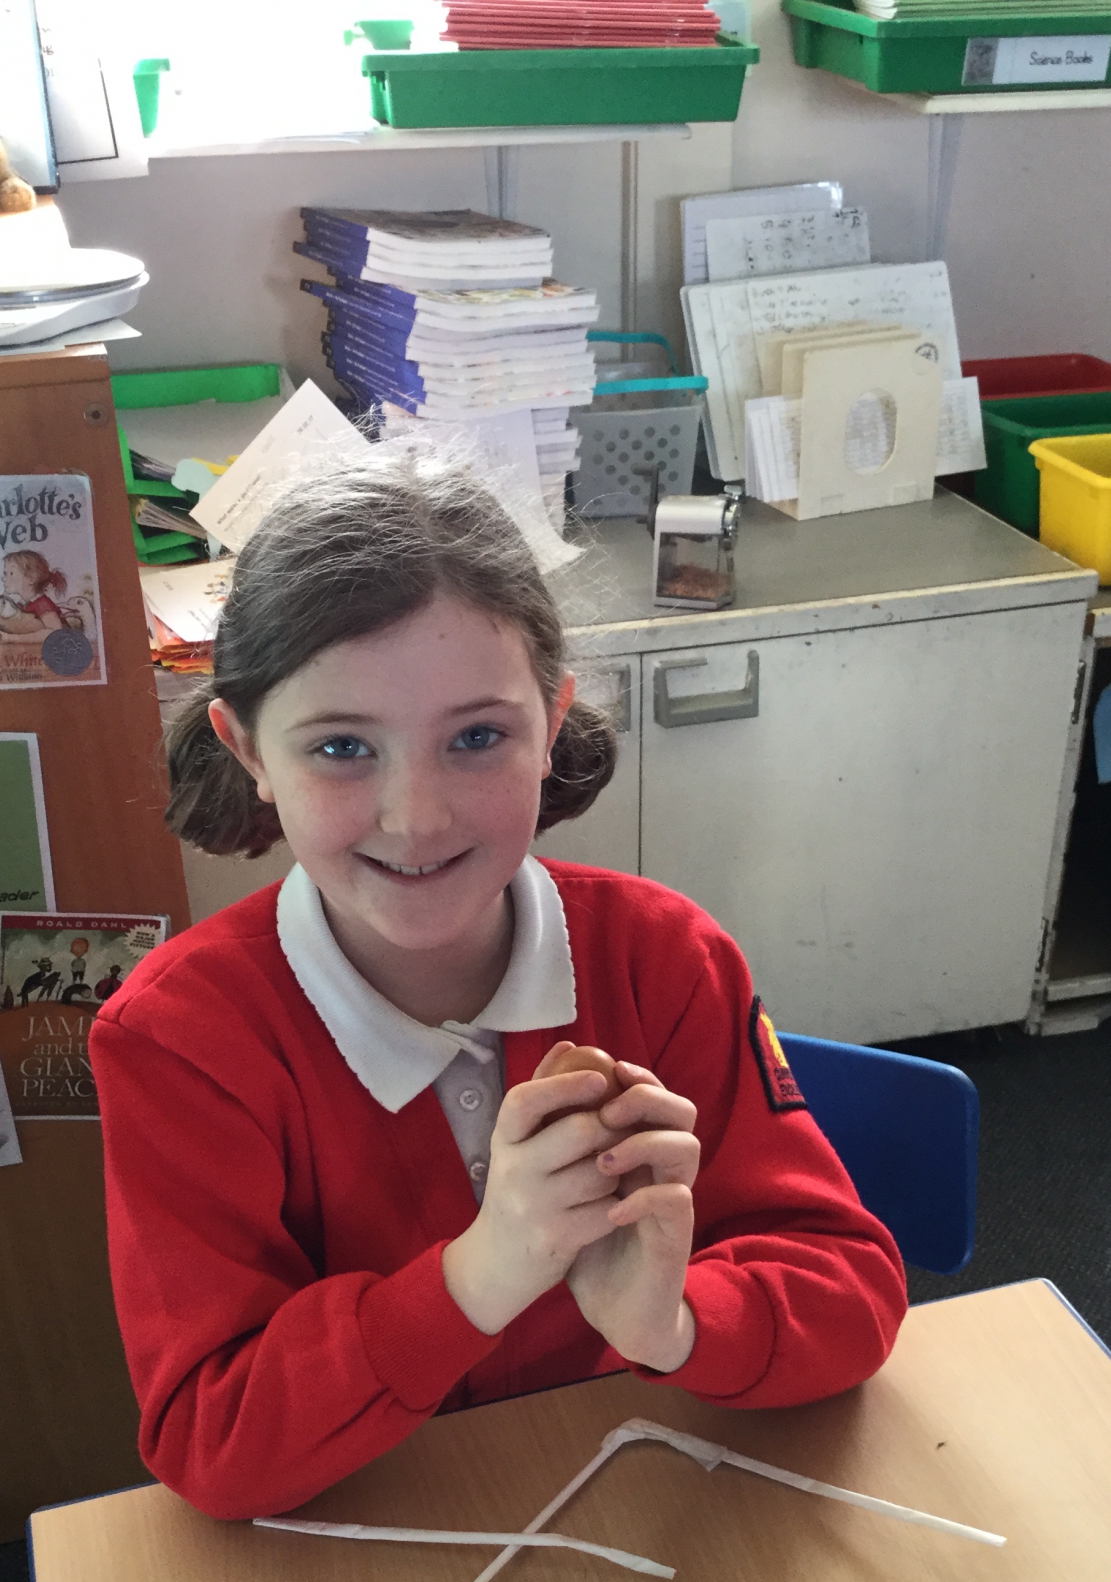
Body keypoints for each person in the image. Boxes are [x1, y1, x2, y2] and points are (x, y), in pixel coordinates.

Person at [90, 451, 906, 1521]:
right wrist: (481, 1274)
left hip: (642, 1508)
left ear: (551, 722)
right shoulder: (178, 1040)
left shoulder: (665, 957)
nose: (417, 816)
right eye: (341, 747)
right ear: (247, 750)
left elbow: (849, 1293)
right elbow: (211, 1437)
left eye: (477, 737)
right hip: (371, 1548)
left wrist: (673, 1323)